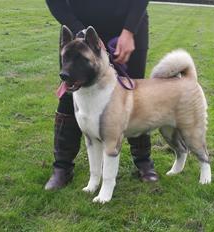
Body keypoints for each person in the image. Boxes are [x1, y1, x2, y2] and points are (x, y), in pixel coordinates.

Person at [45, 0, 159, 190]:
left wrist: (130, 30)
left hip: (128, 26)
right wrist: (77, 29)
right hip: (79, 28)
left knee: (134, 95)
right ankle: (62, 167)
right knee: (69, 93)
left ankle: (143, 161)